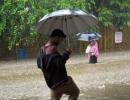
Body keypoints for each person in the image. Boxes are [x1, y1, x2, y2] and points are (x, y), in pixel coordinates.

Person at [37, 29, 79, 100]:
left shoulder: (42, 50)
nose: (61, 42)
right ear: (56, 37)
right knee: (75, 92)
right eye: (61, 40)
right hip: (61, 82)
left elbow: (40, 65)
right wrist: (67, 53)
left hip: (52, 84)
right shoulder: (52, 49)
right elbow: (60, 63)